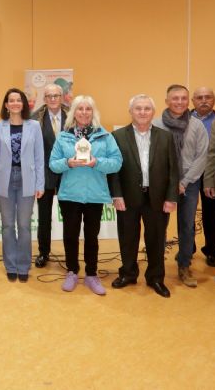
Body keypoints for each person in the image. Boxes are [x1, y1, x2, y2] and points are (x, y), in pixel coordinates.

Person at [49, 95, 122, 295]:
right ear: (73, 112)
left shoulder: (105, 136)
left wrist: (97, 162)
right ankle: (72, 271)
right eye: (79, 108)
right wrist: (68, 163)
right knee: (70, 235)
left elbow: (117, 162)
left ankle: (91, 274)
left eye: (88, 109)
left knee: (92, 237)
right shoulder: (63, 136)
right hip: (70, 195)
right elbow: (53, 164)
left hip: (95, 195)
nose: (84, 112)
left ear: (93, 112)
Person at [109, 94, 178, 298]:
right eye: (138, 108)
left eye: (147, 108)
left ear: (153, 112)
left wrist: (171, 197)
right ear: (130, 111)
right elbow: (113, 171)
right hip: (127, 197)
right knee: (128, 238)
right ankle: (128, 274)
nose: (142, 112)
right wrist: (116, 195)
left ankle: (155, 278)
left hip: (157, 197)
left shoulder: (165, 137)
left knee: (156, 239)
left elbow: (174, 170)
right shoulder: (117, 136)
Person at [153, 84, 208, 287]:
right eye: (175, 98)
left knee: (187, 226)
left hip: (189, 183)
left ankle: (184, 265)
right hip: (162, 183)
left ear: (188, 101)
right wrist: (169, 182)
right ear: (167, 101)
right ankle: (156, 266)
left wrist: (183, 182)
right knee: (159, 226)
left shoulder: (197, 126)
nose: (179, 102)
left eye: (184, 98)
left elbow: (202, 156)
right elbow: (152, 157)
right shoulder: (156, 125)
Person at [0, 88, 44, 283]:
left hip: (27, 179)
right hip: (5, 179)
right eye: (11, 100)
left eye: (18, 100)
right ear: (6, 105)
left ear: (23, 104)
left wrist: (40, 183)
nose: (15, 103)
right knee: (8, 226)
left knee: (24, 226)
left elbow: (39, 157)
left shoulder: (34, 126)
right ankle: (11, 265)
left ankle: (23, 265)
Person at [31, 83, 70, 268]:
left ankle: (70, 254)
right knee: (44, 217)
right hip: (44, 174)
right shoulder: (34, 119)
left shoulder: (74, 117)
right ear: (44, 99)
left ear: (61, 97)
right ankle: (43, 253)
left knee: (70, 216)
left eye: (56, 95)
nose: (53, 99)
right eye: (49, 96)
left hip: (69, 173)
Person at [192, 87, 215, 267]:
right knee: (186, 213)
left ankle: (211, 250)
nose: (204, 100)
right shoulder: (183, 119)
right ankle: (188, 248)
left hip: (212, 174)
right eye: (199, 97)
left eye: (208, 97)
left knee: (211, 214)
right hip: (188, 173)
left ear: (214, 99)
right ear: (193, 101)